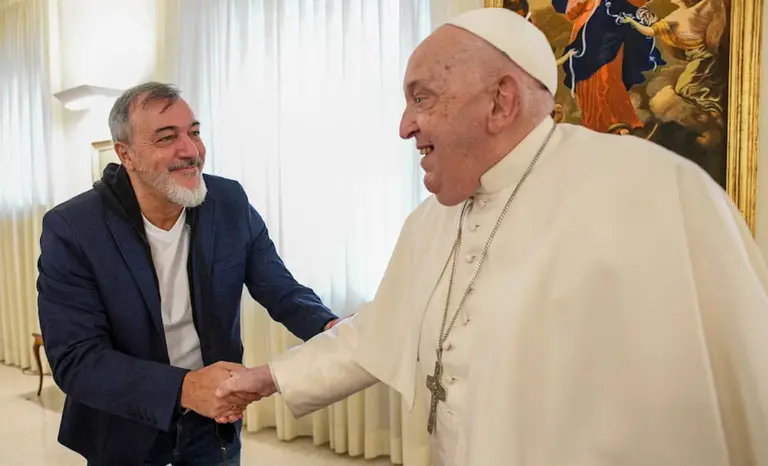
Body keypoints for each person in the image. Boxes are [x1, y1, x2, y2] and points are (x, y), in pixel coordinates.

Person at [215, 7, 768, 466]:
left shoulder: (653, 191)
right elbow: (376, 333)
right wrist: (264, 378)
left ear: (500, 102)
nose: (404, 125)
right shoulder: (431, 220)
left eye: (422, 97)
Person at [36, 82, 339, 466]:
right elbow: (76, 359)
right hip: (125, 428)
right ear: (125, 154)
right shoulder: (74, 227)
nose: (191, 151)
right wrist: (185, 387)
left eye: (194, 132)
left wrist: (331, 327)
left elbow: (280, 288)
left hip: (213, 425)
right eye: (166, 137)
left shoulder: (229, 202)